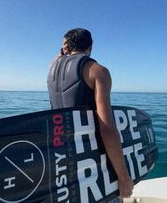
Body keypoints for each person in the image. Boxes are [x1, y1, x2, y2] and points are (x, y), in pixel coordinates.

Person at [47, 28, 134, 202]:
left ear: (66, 46)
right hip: (94, 163)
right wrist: (124, 177)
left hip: (64, 160)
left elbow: (58, 59)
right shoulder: (97, 71)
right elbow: (106, 128)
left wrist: (61, 52)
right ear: (91, 46)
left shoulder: (51, 70)